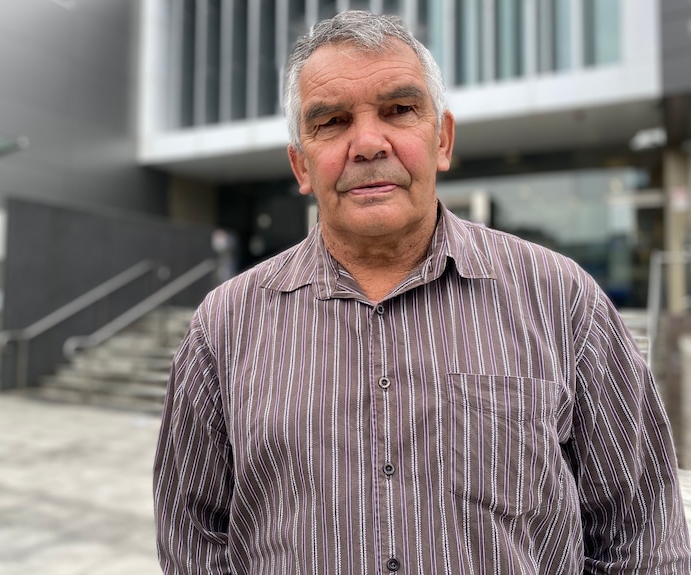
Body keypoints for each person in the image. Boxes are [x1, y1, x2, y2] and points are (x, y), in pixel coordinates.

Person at [153, 10, 691, 574]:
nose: (367, 144)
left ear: (443, 139)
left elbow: (644, 535)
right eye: (332, 121)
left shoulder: (562, 301)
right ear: (300, 165)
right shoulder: (225, 325)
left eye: (399, 110)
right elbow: (193, 539)